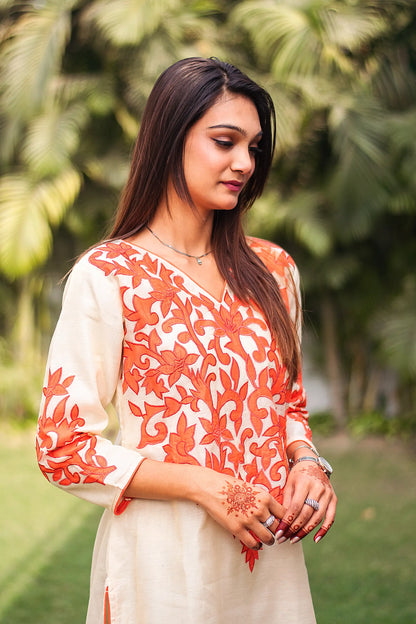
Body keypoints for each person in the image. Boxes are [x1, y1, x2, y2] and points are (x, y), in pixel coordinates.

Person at [37, 57, 337, 624]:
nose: (244, 163)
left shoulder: (273, 271)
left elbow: (288, 405)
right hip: (163, 564)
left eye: (253, 148)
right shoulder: (109, 275)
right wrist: (205, 486)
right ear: (171, 138)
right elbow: (62, 446)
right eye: (225, 141)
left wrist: (311, 465)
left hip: (270, 560)